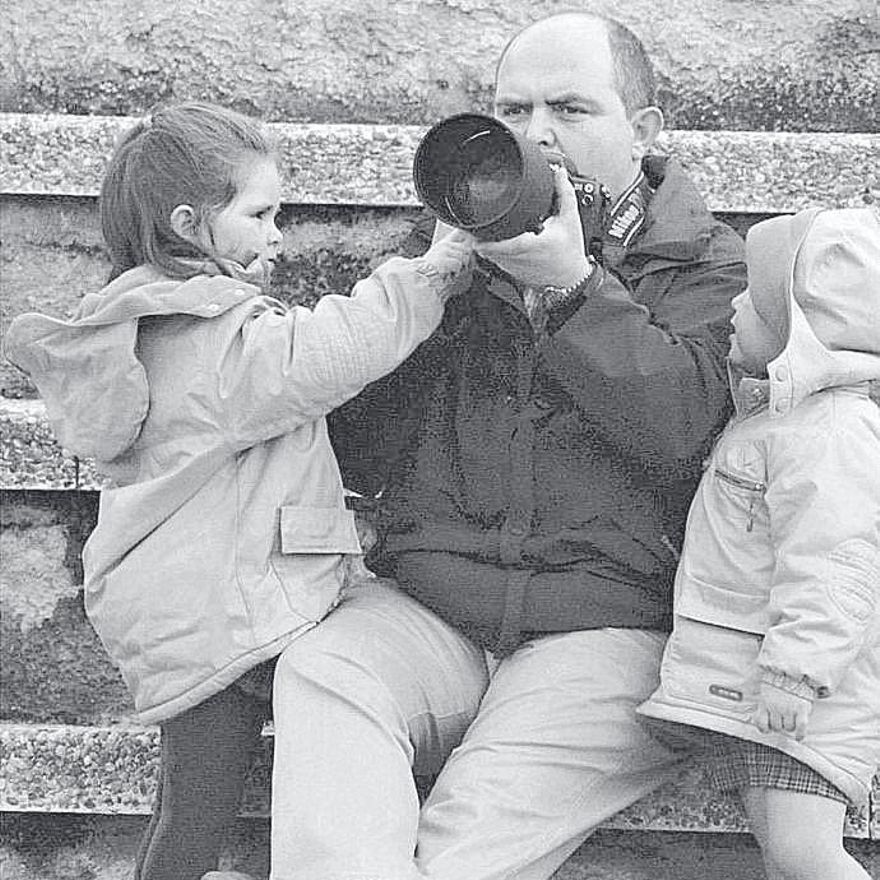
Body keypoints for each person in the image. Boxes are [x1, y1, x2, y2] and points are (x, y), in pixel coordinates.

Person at [264, 11, 748, 880]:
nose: (535, 135)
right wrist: (426, 289)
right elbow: (356, 446)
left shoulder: (707, 264)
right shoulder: (443, 253)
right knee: (324, 672)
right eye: (514, 108)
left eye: (570, 108)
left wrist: (572, 292)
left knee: (460, 848)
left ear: (644, 132)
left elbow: (682, 430)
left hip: (606, 629)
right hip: (429, 604)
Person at [3, 101, 474, 880]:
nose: (278, 233)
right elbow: (330, 352)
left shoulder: (163, 323)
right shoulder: (214, 344)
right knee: (191, 820)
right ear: (191, 226)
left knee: (193, 803)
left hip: (212, 596)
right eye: (260, 214)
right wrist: (430, 270)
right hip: (218, 620)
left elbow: (263, 485)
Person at [638, 206, 880, 880]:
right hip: (763, 685)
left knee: (806, 853)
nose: (735, 306)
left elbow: (837, 563)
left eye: (754, 296)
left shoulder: (830, 432)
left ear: (804, 328)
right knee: (782, 857)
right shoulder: (784, 419)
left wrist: (797, 674)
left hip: (805, 695)